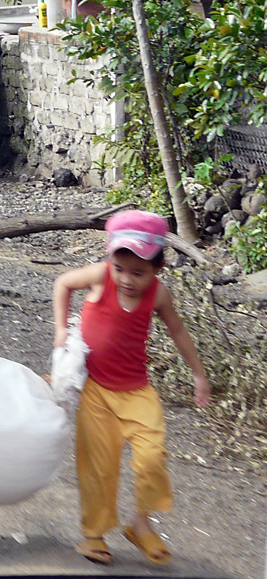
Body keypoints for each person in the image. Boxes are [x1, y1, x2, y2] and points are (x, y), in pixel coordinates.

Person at [52, 210, 211, 566]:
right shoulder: (99, 276)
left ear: (157, 269)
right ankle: (93, 536)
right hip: (96, 392)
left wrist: (199, 375)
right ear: (110, 258)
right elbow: (62, 284)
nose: (126, 279)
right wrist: (61, 329)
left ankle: (140, 525)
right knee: (97, 467)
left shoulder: (159, 295)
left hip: (138, 391)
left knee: (153, 457)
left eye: (139, 272)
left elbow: (178, 332)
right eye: (120, 268)